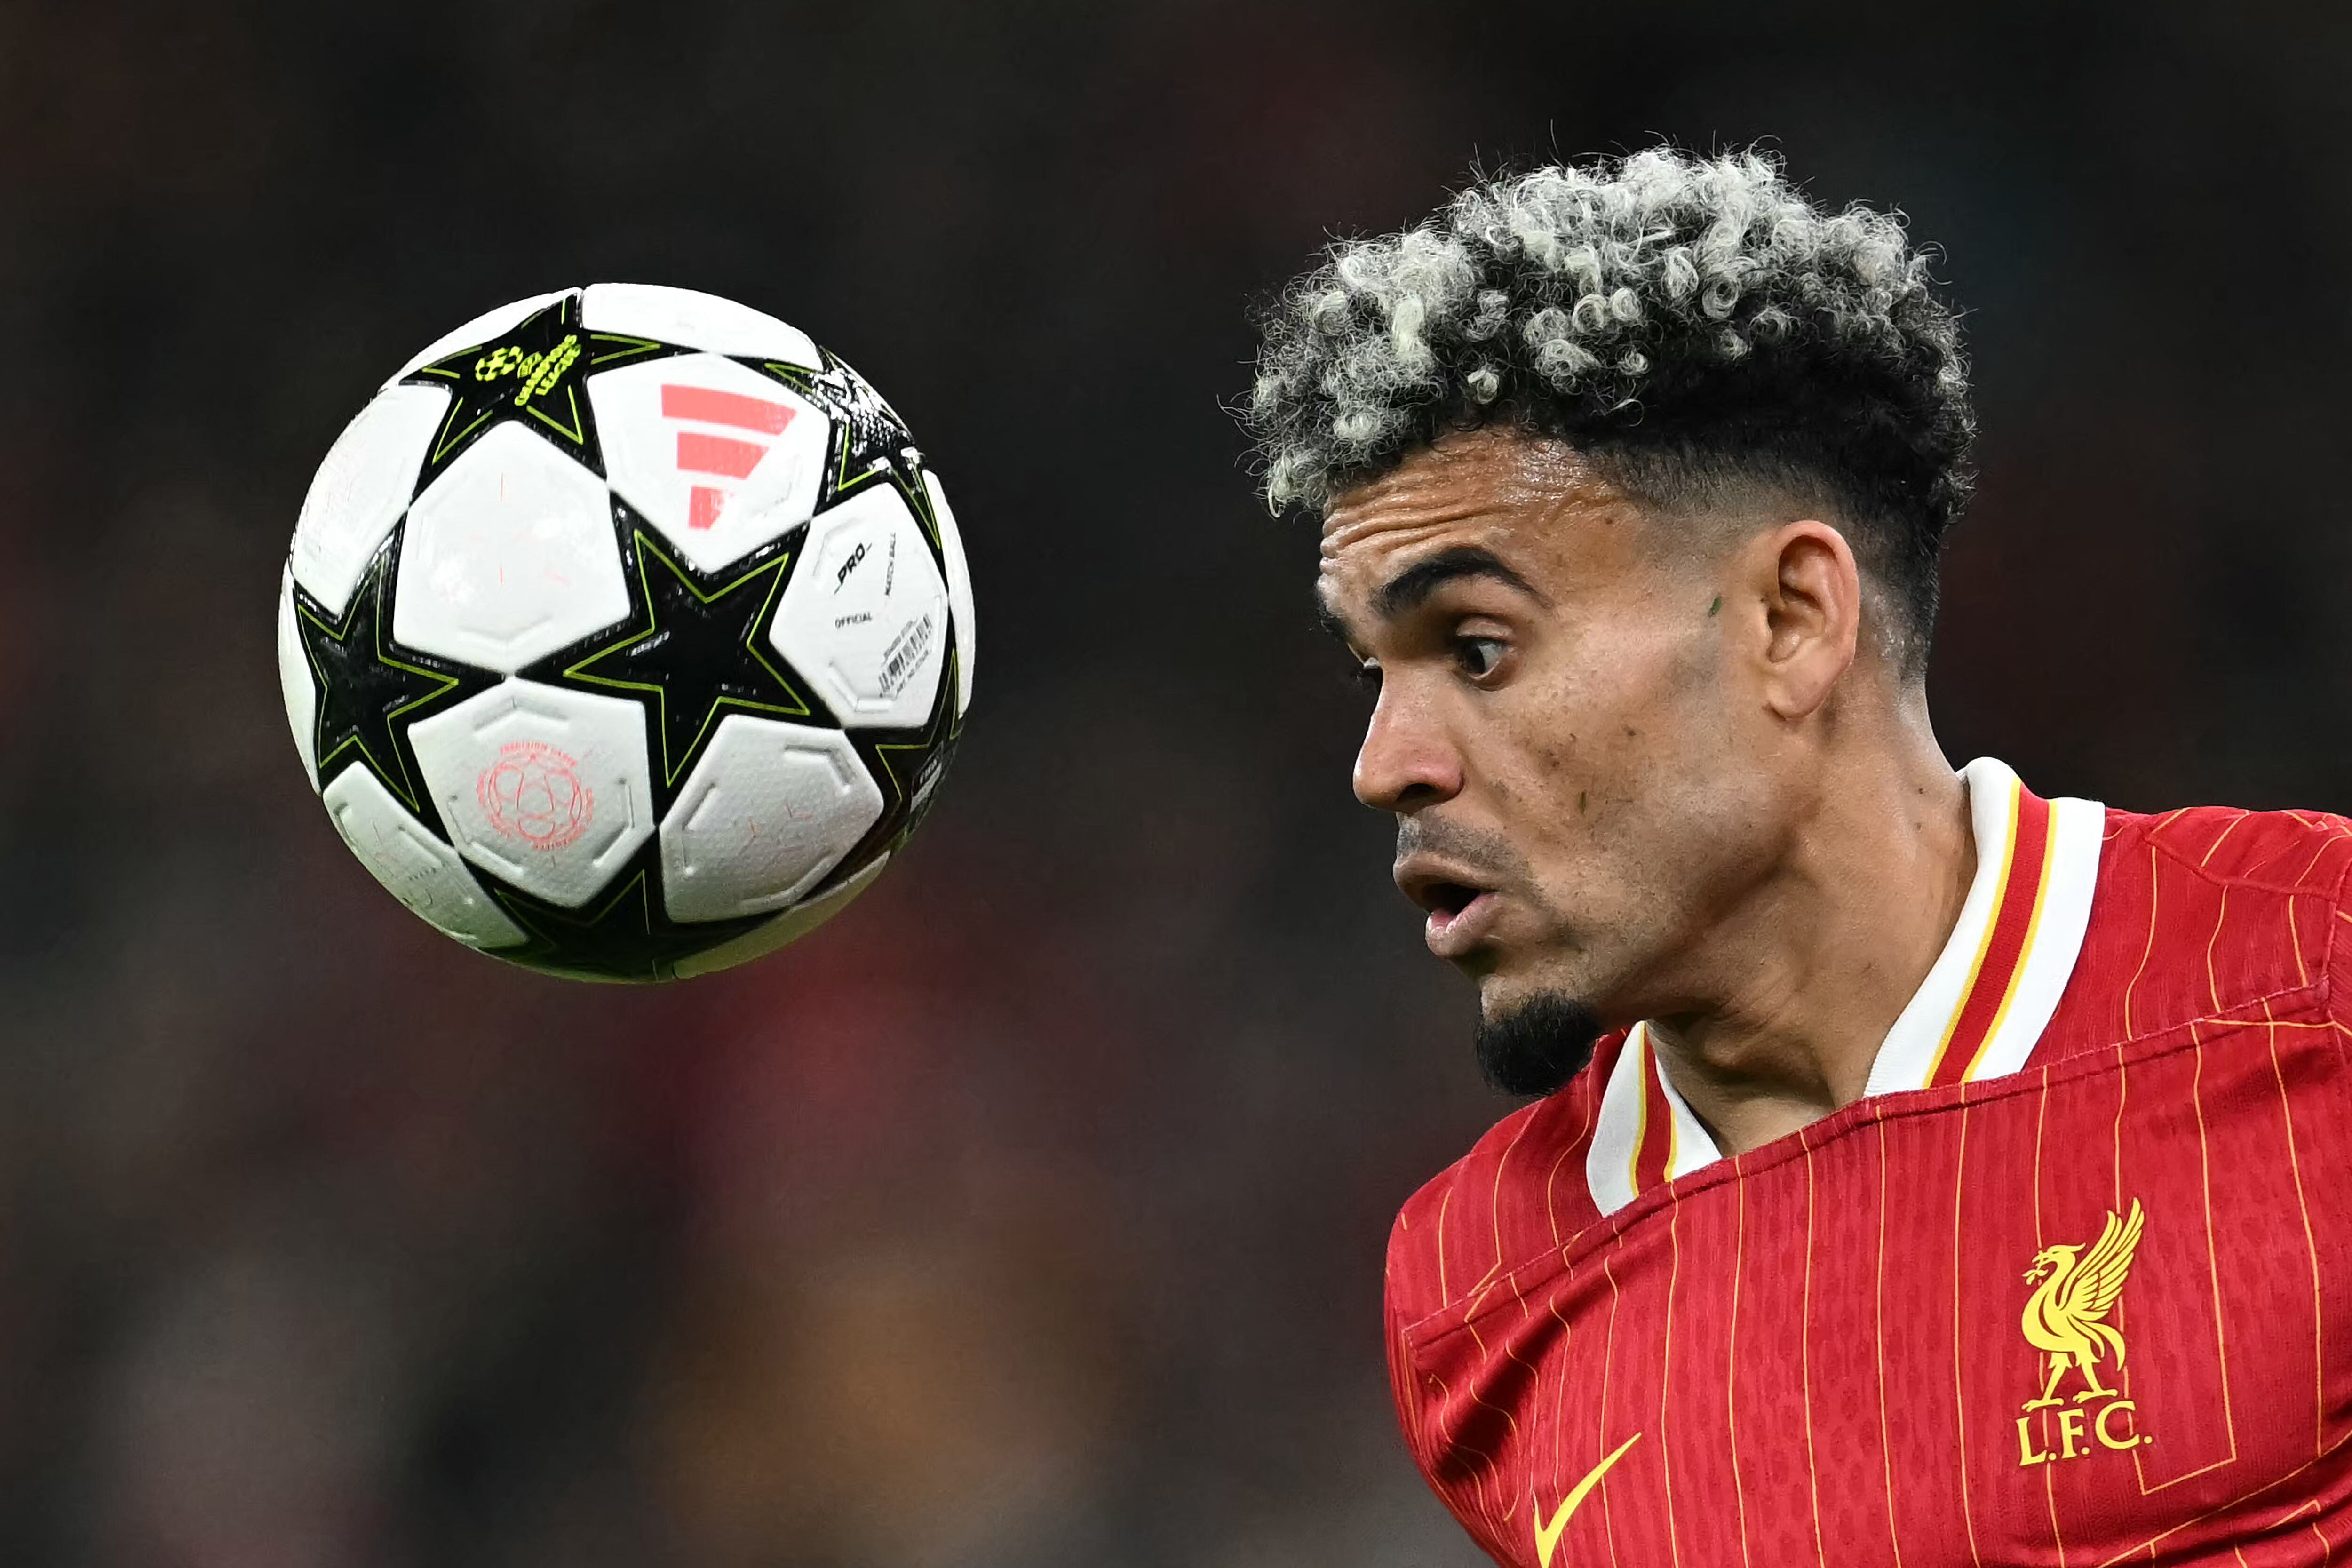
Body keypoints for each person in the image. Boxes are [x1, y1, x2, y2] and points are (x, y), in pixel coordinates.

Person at [1240, 147, 2352, 1566]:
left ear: (1791, 618)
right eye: (1372, 676)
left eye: (1476, 648)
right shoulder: (1475, 1293)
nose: (1386, 762)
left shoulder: (2311, 984)